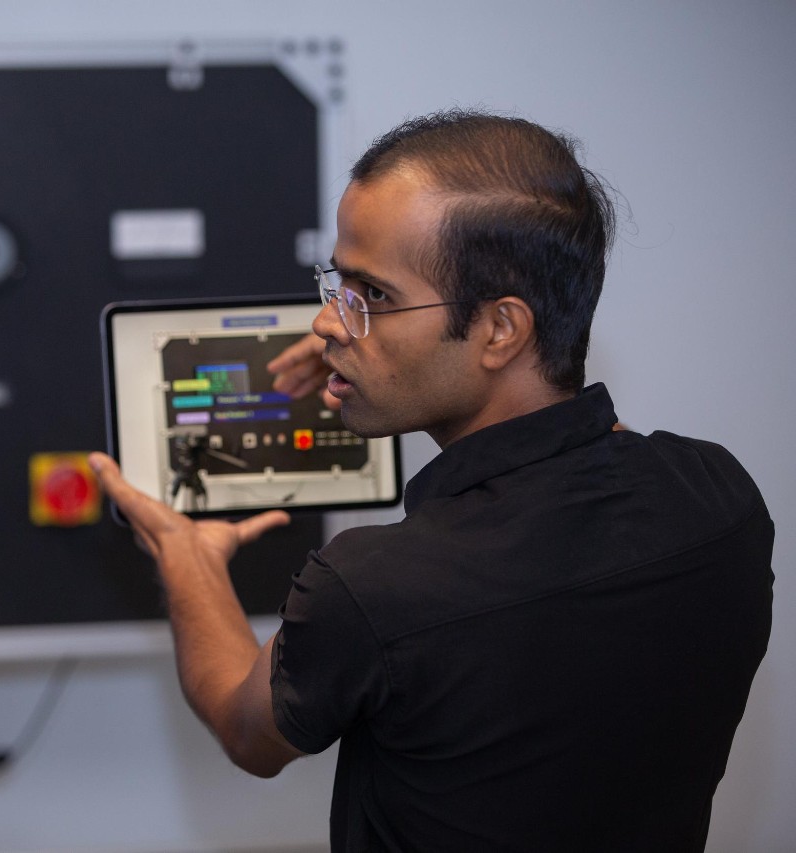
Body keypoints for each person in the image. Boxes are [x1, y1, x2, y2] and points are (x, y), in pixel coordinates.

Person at [88, 108, 773, 852]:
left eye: (373, 296)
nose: (327, 325)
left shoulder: (378, 588)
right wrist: (382, 342)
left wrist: (189, 558)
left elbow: (247, 730)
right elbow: (587, 451)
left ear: (500, 330)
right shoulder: (719, 499)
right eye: (336, 285)